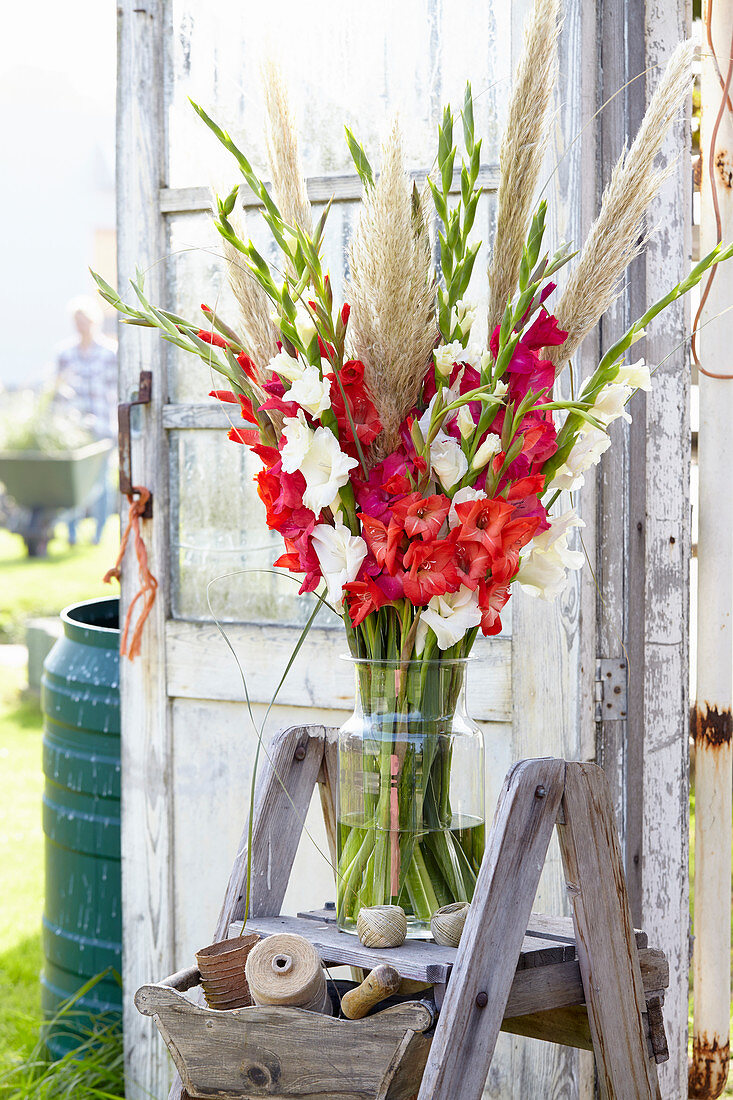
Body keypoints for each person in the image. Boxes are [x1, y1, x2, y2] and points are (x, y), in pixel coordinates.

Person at [56, 296, 117, 543]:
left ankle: (98, 533)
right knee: (73, 482)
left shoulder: (110, 353)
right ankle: (71, 533)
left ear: (94, 321)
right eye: (77, 320)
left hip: (103, 426)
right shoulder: (65, 354)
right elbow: (58, 390)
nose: (81, 324)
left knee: (101, 481)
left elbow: (118, 390)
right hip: (75, 429)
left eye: (85, 319)